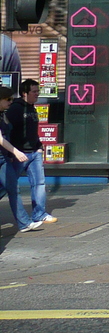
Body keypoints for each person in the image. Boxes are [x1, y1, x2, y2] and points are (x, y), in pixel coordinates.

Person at [4, 79, 55, 231]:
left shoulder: (32, 108)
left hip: (34, 153)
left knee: (39, 183)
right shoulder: (15, 109)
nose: (37, 94)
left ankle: (39, 214)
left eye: (38, 91)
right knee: (7, 185)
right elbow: (8, 132)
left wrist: (39, 146)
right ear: (25, 93)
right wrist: (12, 152)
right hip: (19, 154)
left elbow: (33, 130)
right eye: (34, 91)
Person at [0, 86, 30, 208]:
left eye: (12, 99)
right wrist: (15, 152)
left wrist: (10, 155)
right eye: (8, 99)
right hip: (3, 156)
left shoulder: (3, 115)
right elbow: (0, 139)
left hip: (4, 157)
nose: (11, 102)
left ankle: (24, 223)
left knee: (11, 187)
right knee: (11, 187)